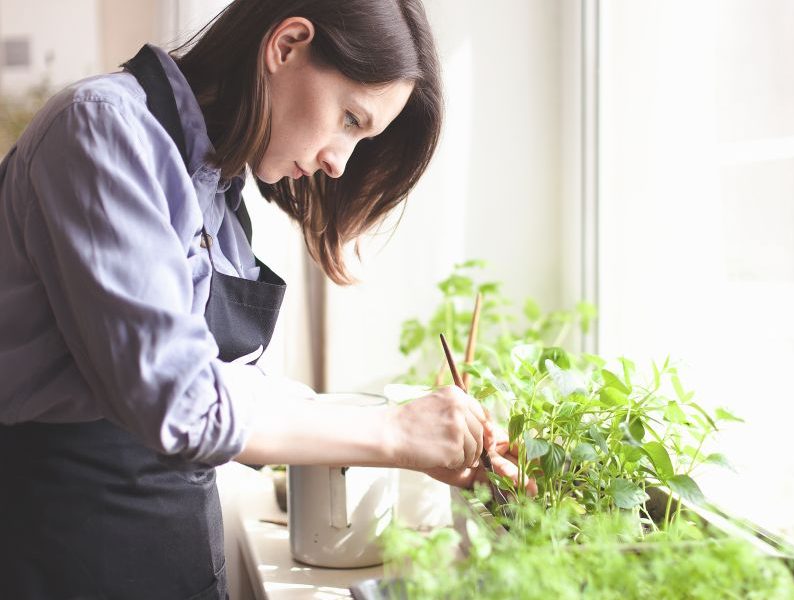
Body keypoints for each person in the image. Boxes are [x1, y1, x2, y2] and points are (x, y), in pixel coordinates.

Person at [0, 1, 523, 598]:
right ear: (287, 45)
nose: (337, 161)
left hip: (164, 545)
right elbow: (183, 404)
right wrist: (396, 433)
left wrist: (420, 439)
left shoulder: (216, 187)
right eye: (350, 119)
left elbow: (238, 389)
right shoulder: (101, 131)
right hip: (67, 549)